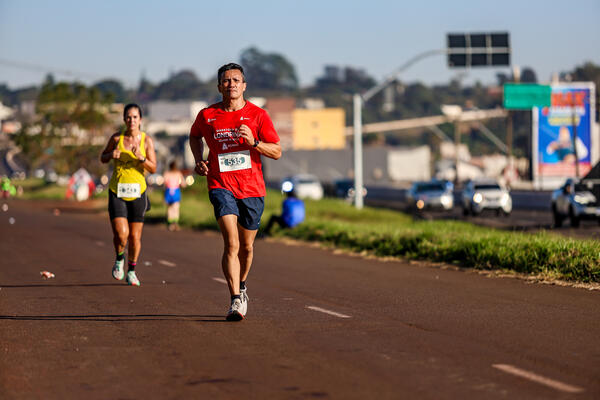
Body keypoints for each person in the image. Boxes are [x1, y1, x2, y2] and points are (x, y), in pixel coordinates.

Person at [189, 63, 281, 321]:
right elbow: (194, 136)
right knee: (232, 242)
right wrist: (199, 160)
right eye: (226, 81)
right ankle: (234, 300)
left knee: (247, 248)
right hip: (220, 185)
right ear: (220, 86)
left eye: (236, 80)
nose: (231, 84)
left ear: (244, 86)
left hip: (252, 188)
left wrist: (254, 142)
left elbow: (277, 151)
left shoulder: (258, 115)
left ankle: (242, 286)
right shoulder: (207, 115)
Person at [100, 103, 156, 286]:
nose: (131, 120)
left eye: (135, 117)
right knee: (121, 233)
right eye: (128, 117)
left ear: (140, 120)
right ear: (124, 119)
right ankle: (119, 259)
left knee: (134, 237)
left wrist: (141, 157)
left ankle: (131, 270)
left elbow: (153, 168)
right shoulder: (116, 138)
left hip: (138, 192)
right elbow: (103, 157)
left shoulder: (146, 141)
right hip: (118, 191)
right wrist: (111, 155)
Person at [163, 160, 186, 231]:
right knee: (176, 208)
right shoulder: (178, 174)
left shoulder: (167, 173)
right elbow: (183, 184)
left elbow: (164, 183)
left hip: (169, 191)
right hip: (176, 191)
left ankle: (170, 224)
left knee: (169, 209)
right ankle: (175, 223)